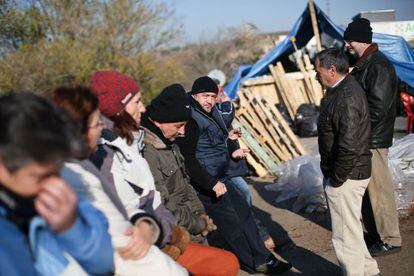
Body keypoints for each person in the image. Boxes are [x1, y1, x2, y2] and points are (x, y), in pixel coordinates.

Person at [89, 70, 242, 275]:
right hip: (153, 242)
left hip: (169, 230)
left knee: (225, 262)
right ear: (118, 109)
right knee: (224, 264)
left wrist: (197, 217)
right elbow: (135, 208)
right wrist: (176, 232)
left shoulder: (133, 144)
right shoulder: (108, 156)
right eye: (136, 102)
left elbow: (162, 195)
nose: (143, 108)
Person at [51, 85, 188, 275]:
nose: (101, 127)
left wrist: (146, 224)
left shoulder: (88, 161)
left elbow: (126, 206)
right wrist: (165, 232)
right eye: (95, 123)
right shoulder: (79, 172)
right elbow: (119, 239)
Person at [176, 76, 292, 274]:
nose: (210, 100)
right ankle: (253, 263)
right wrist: (210, 183)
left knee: (245, 214)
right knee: (232, 226)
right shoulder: (191, 120)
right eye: (205, 96)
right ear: (194, 95)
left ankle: (264, 258)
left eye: (213, 96)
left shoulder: (210, 112)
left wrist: (232, 150)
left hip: (222, 176)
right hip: (207, 183)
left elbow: (217, 139)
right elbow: (188, 158)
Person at [0, 93, 114, 275]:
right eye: (41, 176)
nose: (55, 184)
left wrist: (71, 226)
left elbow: (102, 262)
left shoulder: (46, 200)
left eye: (57, 172)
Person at [316, 48, 379, 276]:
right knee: (351, 230)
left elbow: (349, 144)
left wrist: (336, 179)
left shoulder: (347, 95)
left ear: (331, 70)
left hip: (348, 175)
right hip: (349, 172)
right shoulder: (341, 90)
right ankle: (370, 271)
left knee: (344, 235)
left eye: (318, 70)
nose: (316, 76)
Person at [344, 17, 401, 256]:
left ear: (359, 40)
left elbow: (379, 108)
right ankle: (377, 236)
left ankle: (390, 239)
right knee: (368, 192)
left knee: (380, 191)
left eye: (348, 41)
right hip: (365, 138)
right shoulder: (365, 63)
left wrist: (362, 136)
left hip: (373, 139)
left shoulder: (378, 65)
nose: (346, 46)